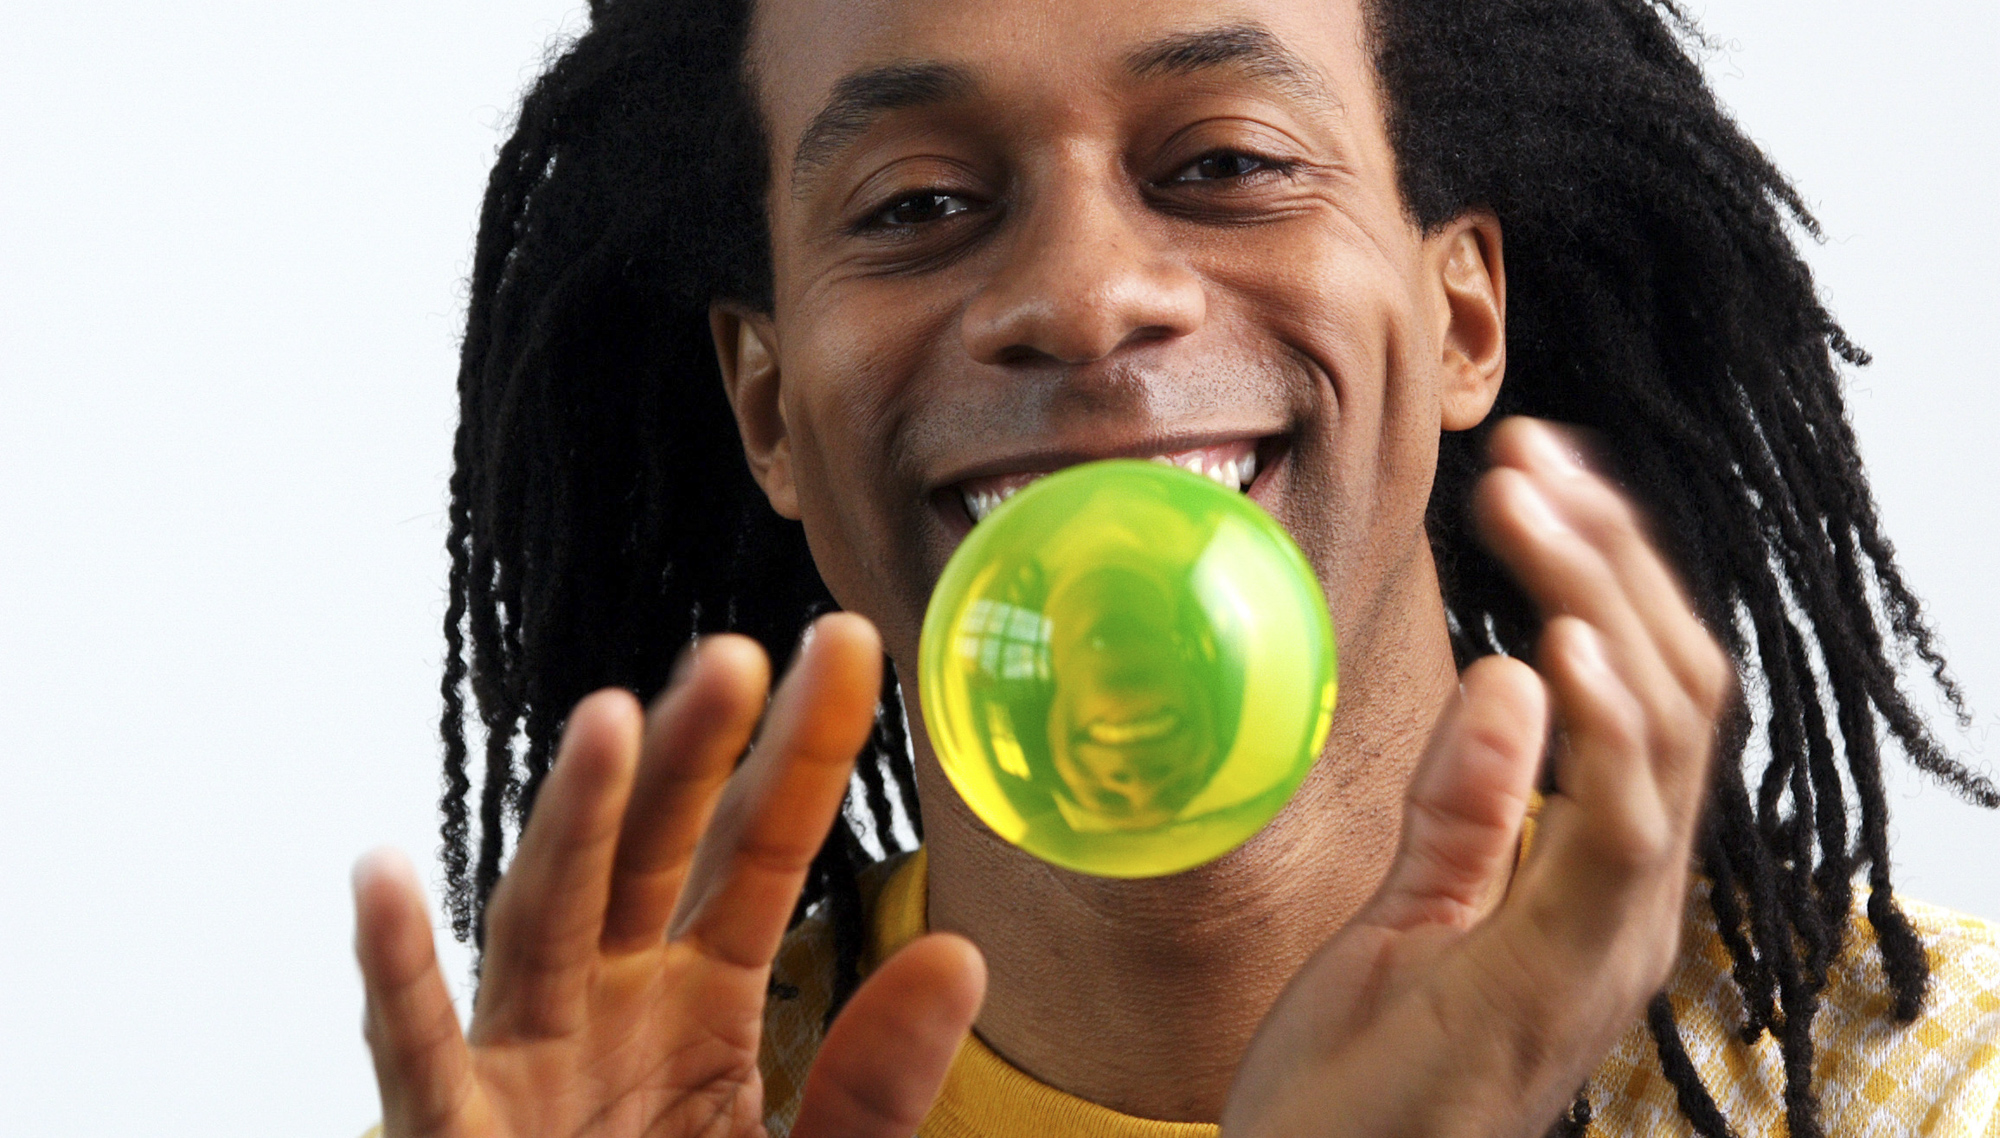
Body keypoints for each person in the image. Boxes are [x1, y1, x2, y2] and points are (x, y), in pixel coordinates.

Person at [350, 0, 2000, 1134]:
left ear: (1461, 315)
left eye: (1222, 165)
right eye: (919, 203)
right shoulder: (625, 1110)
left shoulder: (1929, 1092)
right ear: (769, 409)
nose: (1083, 299)